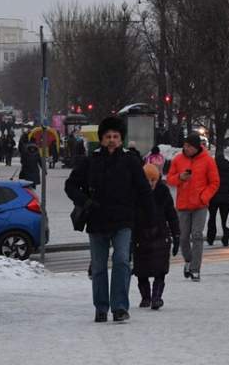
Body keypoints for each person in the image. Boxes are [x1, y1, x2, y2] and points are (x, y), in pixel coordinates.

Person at [65, 116, 154, 323]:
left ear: (121, 139)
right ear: (101, 139)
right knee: (98, 266)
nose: (112, 140)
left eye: (115, 136)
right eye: (108, 136)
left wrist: (150, 218)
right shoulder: (90, 161)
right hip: (97, 221)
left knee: (122, 261)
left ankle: (120, 307)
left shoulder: (131, 161)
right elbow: (70, 185)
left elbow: (144, 191)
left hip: (124, 221)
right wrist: (85, 202)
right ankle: (101, 307)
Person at [165, 134, 219, 281]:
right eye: (185, 145)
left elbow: (214, 182)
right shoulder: (177, 159)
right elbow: (169, 179)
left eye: (189, 146)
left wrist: (204, 196)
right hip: (183, 205)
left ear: (196, 147)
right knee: (183, 238)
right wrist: (180, 178)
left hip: (200, 205)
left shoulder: (207, 160)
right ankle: (188, 261)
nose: (186, 148)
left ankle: (195, 269)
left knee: (197, 235)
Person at [133, 163, 179, 310]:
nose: (151, 183)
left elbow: (171, 214)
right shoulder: (136, 193)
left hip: (160, 235)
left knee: (160, 270)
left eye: (153, 180)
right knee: (141, 270)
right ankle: (145, 297)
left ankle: (156, 297)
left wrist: (176, 234)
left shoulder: (163, 191)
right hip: (141, 235)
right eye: (147, 180)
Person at [207, 150, 229, 246]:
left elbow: (207, 183)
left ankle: (211, 238)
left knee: (212, 218)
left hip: (213, 198)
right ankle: (226, 238)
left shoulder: (212, 168)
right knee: (225, 219)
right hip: (226, 199)